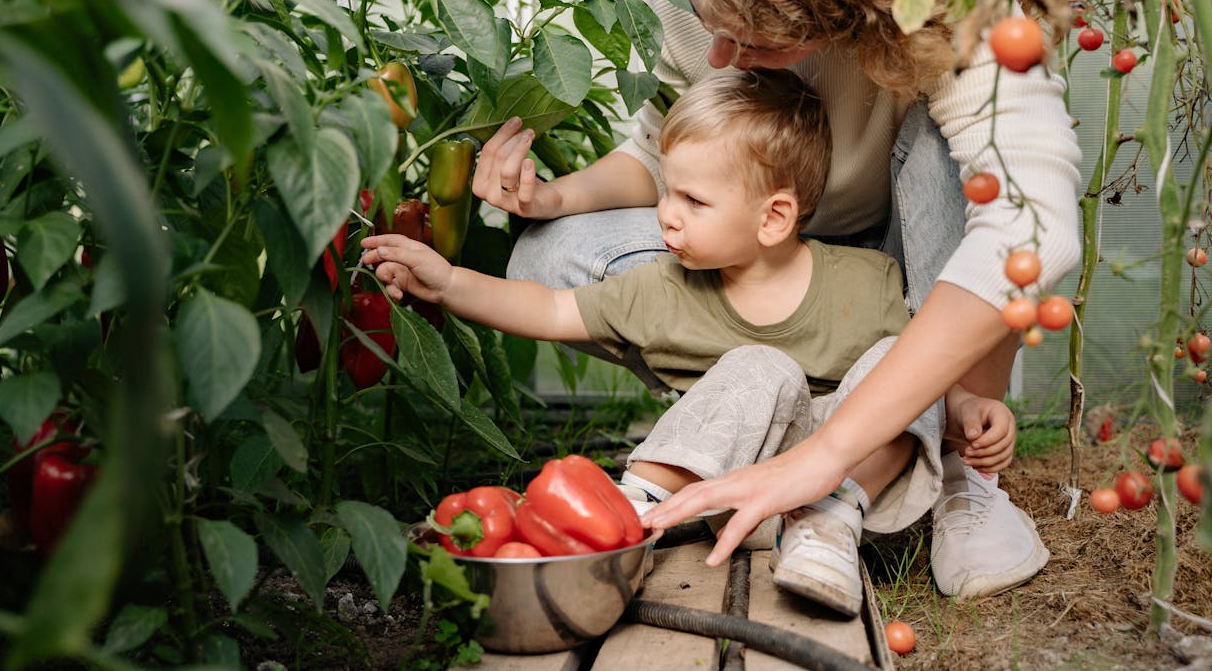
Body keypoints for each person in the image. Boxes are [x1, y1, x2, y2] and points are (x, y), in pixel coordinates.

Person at [470, 0, 1081, 600]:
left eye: (754, 43)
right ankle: (771, 412)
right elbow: (661, 151)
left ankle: (950, 461)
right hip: (765, 260)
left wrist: (820, 459)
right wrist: (552, 196)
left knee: (959, 160)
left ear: (846, 9)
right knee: (550, 252)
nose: (719, 60)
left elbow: (1032, 224)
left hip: (901, 262)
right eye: (712, 31)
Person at [364, 70, 1015, 617]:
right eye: (666, 189)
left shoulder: (866, 282)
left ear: (774, 217)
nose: (664, 214)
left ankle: (825, 524)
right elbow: (549, 305)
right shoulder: (667, 288)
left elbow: (926, 377)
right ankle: (626, 520)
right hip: (733, 497)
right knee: (758, 365)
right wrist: (448, 281)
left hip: (858, 493)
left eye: (692, 199)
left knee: (897, 358)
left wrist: (967, 410)